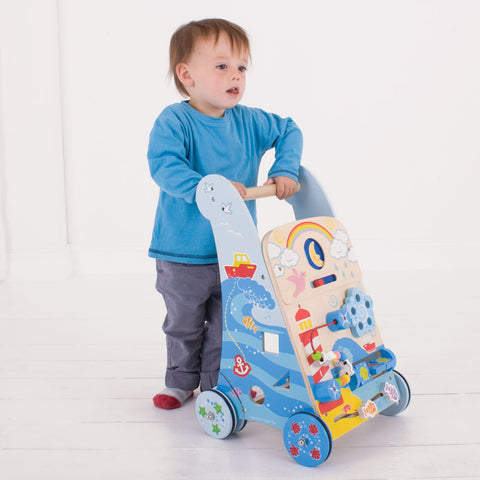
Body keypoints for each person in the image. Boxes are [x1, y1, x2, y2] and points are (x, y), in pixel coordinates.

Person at [147, 18, 303, 409]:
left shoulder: (250, 121)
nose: (235, 75)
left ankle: (218, 387)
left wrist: (284, 169)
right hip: (183, 252)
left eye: (241, 67)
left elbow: (289, 130)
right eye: (222, 66)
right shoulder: (175, 121)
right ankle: (180, 381)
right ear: (187, 75)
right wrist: (209, 188)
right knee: (184, 323)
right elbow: (165, 167)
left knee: (227, 326)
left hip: (236, 253)